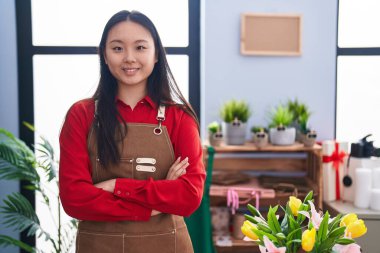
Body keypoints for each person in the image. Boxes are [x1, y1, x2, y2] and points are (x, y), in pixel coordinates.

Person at [59, 10, 205, 253]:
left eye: (140, 47)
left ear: (156, 53)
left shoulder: (179, 117)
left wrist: (115, 185)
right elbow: (74, 199)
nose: (129, 58)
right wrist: (155, 204)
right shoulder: (81, 115)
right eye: (117, 48)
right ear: (104, 55)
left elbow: (189, 197)